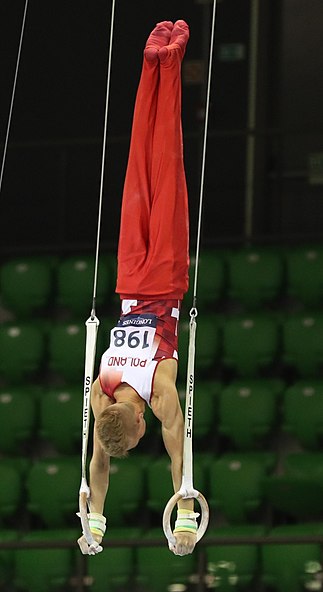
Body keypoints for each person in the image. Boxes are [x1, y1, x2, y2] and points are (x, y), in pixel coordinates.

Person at [78, 19, 197, 557]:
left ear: (141, 418)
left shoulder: (160, 391)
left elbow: (181, 454)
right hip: (128, 277)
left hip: (165, 276)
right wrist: (91, 521)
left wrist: (186, 512)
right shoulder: (103, 400)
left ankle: (169, 61)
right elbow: (97, 462)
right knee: (138, 168)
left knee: (165, 162)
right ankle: (151, 60)